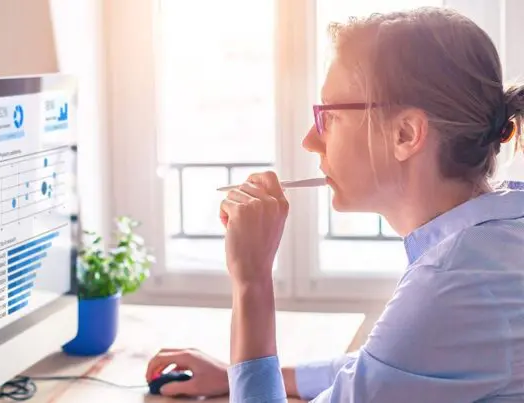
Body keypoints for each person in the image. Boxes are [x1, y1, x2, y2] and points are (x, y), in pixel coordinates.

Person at [146, 6, 524, 402]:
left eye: (329, 116)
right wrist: (237, 375)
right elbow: (382, 365)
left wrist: (252, 280)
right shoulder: (494, 241)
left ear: (405, 133)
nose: (310, 139)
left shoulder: (452, 282)